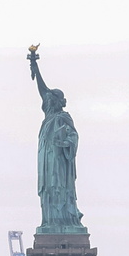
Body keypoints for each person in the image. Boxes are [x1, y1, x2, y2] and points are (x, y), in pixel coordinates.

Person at [28, 48, 84, 231]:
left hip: (59, 162)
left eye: (52, 98)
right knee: (48, 189)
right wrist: (35, 65)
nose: (48, 100)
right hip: (46, 160)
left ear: (58, 101)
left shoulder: (64, 118)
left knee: (58, 186)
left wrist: (65, 143)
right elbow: (42, 90)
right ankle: (50, 221)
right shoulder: (49, 116)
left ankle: (64, 219)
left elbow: (74, 136)